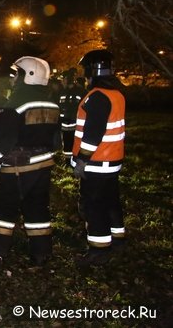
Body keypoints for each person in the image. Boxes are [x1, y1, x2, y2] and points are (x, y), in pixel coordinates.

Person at [0, 56, 61, 268]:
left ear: (28, 76)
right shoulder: (52, 103)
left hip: (17, 168)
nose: (13, 78)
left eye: (16, 74)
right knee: (37, 210)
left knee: (3, 212)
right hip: (43, 166)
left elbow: (5, 139)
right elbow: (56, 140)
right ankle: (41, 253)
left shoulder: (16, 103)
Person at [71, 50, 126, 266]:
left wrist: (82, 160)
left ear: (92, 70)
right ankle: (118, 239)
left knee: (94, 205)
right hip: (112, 161)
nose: (85, 76)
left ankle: (98, 250)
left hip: (96, 163)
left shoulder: (96, 97)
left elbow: (93, 134)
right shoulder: (116, 94)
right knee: (111, 200)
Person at [58, 69, 87, 158]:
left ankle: (72, 160)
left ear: (67, 79)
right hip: (66, 124)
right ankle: (68, 160)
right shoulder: (63, 91)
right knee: (67, 143)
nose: (62, 81)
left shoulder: (80, 92)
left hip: (75, 124)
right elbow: (61, 107)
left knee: (74, 143)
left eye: (63, 79)